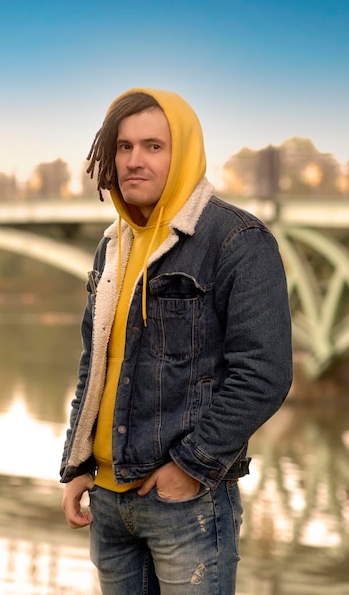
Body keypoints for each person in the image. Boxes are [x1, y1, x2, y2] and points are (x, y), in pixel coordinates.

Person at [60, 88, 293, 594]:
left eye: (152, 146)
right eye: (123, 147)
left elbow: (265, 373)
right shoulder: (111, 246)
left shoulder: (237, 240)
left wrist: (189, 468)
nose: (134, 161)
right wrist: (78, 463)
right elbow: (94, 364)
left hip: (185, 503)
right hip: (107, 498)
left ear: (183, 151)